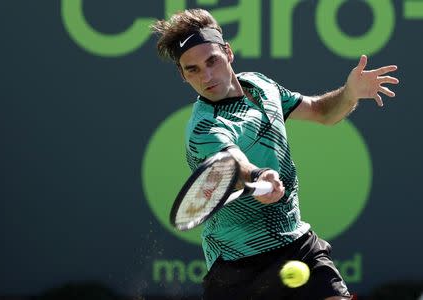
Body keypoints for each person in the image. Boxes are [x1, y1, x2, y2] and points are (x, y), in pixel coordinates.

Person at [151, 8, 398, 300]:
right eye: (192, 69)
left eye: (212, 61)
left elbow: (321, 112)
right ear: (182, 74)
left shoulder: (260, 84)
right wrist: (258, 175)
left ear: (228, 53)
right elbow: (232, 164)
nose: (206, 76)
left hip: (296, 242)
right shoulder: (205, 128)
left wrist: (350, 93)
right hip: (237, 266)